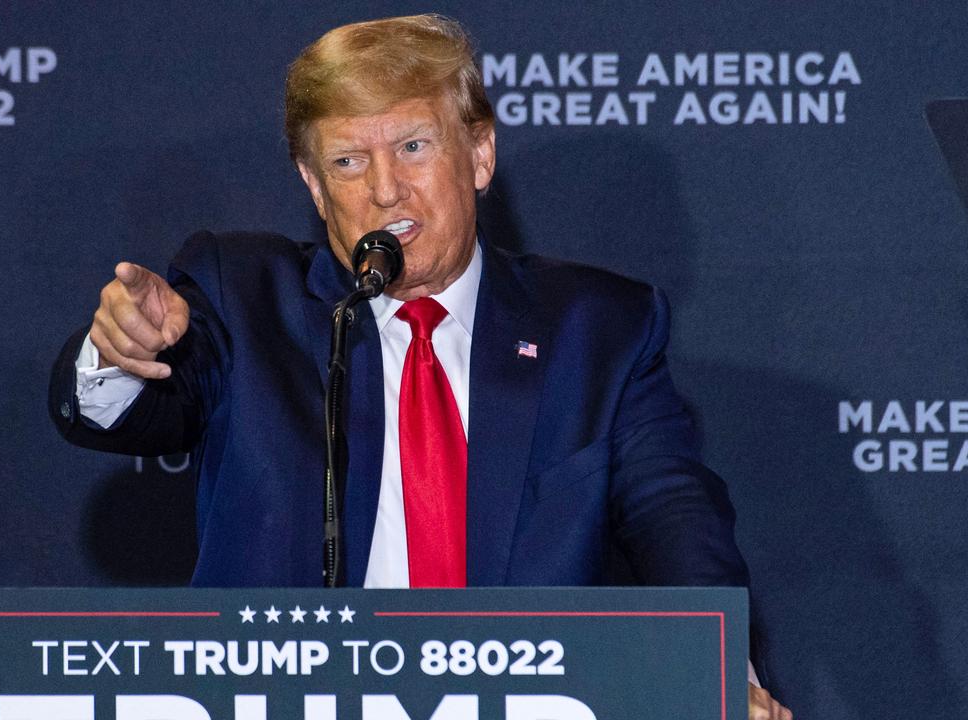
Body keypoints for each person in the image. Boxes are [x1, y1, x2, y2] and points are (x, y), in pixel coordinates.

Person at [50, 14, 791, 719]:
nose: (384, 190)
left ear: (479, 154)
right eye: (347, 161)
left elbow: (674, 516)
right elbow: (131, 412)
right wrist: (122, 350)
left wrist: (719, 669)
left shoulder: (597, 329)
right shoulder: (244, 297)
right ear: (313, 186)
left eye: (412, 147)